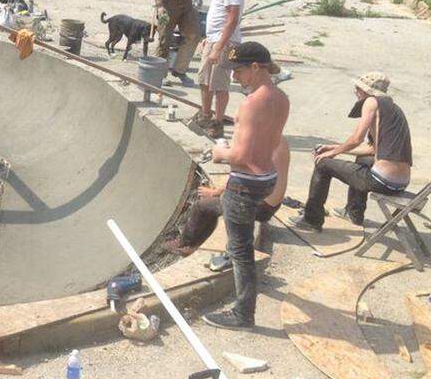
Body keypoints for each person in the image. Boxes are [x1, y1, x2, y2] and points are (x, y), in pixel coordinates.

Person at [201, 42, 288, 331]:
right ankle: (230, 253)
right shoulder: (281, 97)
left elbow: (238, 156)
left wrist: (220, 153)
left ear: (256, 67)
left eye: (239, 71)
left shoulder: (251, 103)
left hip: (245, 183)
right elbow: (272, 141)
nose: (235, 77)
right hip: (266, 178)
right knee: (238, 240)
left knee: (242, 253)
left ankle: (243, 314)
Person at [291, 72, 412, 232]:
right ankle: (353, 213)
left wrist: (330, 154)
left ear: (367, 91)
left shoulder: (371, 101)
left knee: (323, 164)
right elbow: (373, 148)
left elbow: (357, 139)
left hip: (383, 181)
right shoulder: (393, 109)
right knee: (363, 159)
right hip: (400, 182)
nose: (356, 91)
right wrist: (335, 148)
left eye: (358, 88)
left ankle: (311, 219)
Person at [167, 137, 289, 255]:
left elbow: (241, 180)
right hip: (272, 203)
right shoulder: (278, 139)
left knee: (202, 206)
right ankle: (195, 243)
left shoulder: (260, 143)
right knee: (213, 208)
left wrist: (215, 192)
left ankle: (184, 244)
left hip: (260, 207)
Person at [195, 0, 244, 139]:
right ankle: (205, 115)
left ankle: (217, 122)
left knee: (219, 84)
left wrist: (219, 47)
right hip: (214, 39)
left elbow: (232, 20)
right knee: (204, 80)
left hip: (225, 43)